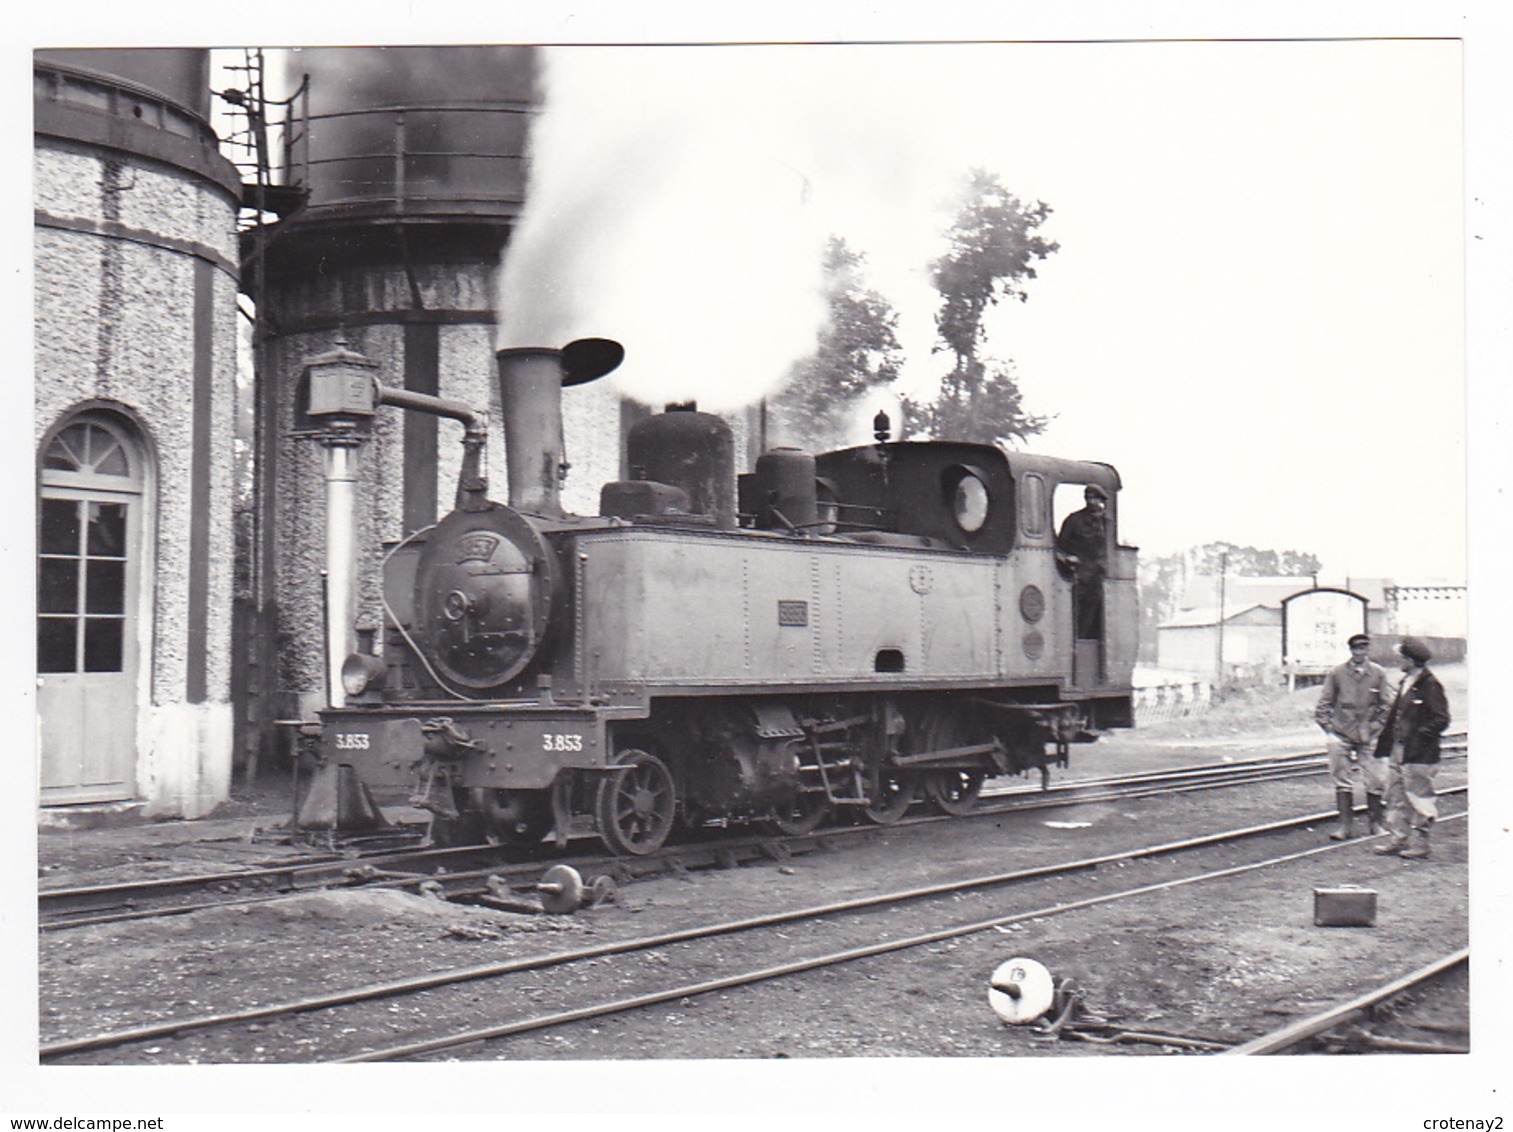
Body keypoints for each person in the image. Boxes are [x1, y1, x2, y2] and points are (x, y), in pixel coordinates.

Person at [1371, 636, 1451, 859]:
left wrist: (1420, 736)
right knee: (1396, 794)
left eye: (1402, 658)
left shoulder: (1429, 685)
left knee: (1418, 796)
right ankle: (1397, 838)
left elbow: (1441, 719)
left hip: (1419, 753)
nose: (1399, 661)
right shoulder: (1406, 682)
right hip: (1400, 750)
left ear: (1411, 660)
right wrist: (1386, 745)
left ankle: (1421, 843)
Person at [1313, 632, 1392, 840]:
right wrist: (1330, 729)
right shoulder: (1337, 673)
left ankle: (1376, 824)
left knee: (1376, 778)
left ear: (1368, 650)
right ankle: (1345, 827)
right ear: (1351, 651)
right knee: (1341, 778)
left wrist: (1377, 726)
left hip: (1369, 734)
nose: (1360, 653)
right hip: (1342, 733)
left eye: (1363, 648)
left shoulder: (1378, 673)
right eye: (1356, 649)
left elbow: (1388, 705)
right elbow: (1323, 705)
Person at [1056, 485, 1109, 640]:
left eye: (1095, 499)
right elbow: (1058, 548)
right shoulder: (1074, 520)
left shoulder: (1107, 523)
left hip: (1098, 577)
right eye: (1089, 498)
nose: (1092, 502)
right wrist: (1068, 558)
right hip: (1078, 575)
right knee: (1077, 616)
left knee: (1095, 617)